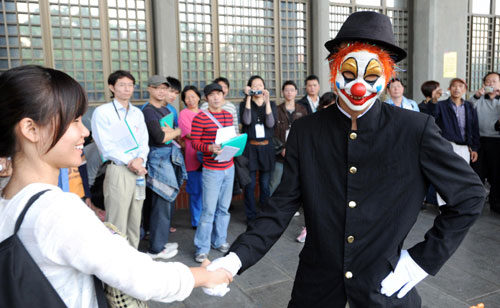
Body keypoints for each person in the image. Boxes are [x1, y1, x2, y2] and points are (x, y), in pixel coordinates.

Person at [206, 11, 485, 307]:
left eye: (371, 75)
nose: (359, 86)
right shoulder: (307, 130)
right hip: (316, 286)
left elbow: (469, 196)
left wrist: (420, 261)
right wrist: (235, 259)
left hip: (385, 286)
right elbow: (282, 203)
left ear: (387, 75)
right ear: (335, 68)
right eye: (349, 74)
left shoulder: (414, 129)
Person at [0, 65, 232, 307]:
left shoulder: (10, 197)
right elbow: (144, 279)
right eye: (74, 121)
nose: (84, 131)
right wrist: (207, 276)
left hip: (139, 168)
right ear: (31, 129)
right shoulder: (57, 211)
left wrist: (140, 158)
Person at [91, 70, 149, 248]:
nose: (127, 89)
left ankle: (134, 258)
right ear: (112, 87)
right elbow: (105, 145)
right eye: (122, 85)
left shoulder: (137, 113)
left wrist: (140, 160)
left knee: (135, 218)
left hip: (139, 172)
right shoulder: (103, 112)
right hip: (119, 170)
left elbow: (144, 141)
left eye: (130, 85)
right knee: (117, 221)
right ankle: (115, 263)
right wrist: (130, 162)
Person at [191, 83, 235, 263]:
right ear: (206, 98)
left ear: (223, 96)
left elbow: (231, 138)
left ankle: (220, 240)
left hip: (229, 167)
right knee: (208, 210)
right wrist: (209, 147)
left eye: (219, 94)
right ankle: (202, 248)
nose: (216, 97)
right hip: (211, 169)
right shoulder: (200, 117)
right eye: (212, 95)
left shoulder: (227, 115)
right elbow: (194, 143)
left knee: (224, 209)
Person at [142, 75, 184, 260]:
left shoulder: (165, 109)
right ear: (149, 89)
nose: (162, 91)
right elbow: (160, 137)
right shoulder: (148, 111)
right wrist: (177, 131)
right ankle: (156, 249)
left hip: (167, 157)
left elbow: (168, 134)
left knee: (163, 202)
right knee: (162, 201)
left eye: (164, 88)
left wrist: (171, 133)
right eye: (158, 88)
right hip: (158, 160)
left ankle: (159, 242)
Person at [427, 78, 480, 205]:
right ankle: (444, 206)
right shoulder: (441, 105)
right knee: (444, 176)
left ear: (464, 90)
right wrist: (434, 101)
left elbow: (474, 128)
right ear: (449, 89)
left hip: (465, 147)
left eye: (460, 86)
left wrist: (475, 148)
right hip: (447, 145)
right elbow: (431, 119)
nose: (457, 88)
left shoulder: (469, 106)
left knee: (462, 177)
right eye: (454, 86)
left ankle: (458, 203)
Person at [239, 75, 278, 222]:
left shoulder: (272, 104)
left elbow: (270, 124)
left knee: (264, 184)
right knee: (249, 185)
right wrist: (248, 98)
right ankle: (250, 215)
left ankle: (264, 213)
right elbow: (246, 121)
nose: (257, 88)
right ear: (249, 88)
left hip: (266, 148)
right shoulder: (245, 104)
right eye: (254, 85)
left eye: (260, 85)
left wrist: (267, 101)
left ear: (264, 87)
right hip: (250, 148)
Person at [470, 72, 500, 214]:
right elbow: (468, 108)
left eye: (494, 81)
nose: (491, 84)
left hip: (496, 141)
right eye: (488, 81)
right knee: (477, 173)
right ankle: (475, 203)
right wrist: (477, 96)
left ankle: (495, 203)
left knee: (496, 174)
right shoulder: (478, 99)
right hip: (479, 140)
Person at [269, 80, 307, 196]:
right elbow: (272, 131)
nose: (289, 93)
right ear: (282, 92)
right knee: (275, 183)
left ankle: (291, 208)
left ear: (296, 92)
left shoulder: (302, 110)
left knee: (294, 182)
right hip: (280, 155)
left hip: (297, 154)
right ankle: (273, 209)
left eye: (292, 90)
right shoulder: (276, 109)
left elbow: (305, 132)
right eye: (286, 90)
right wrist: (282, 149)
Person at [179, 85, 203, 229]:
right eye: (187, 97)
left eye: (193, 96)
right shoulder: (184, 114)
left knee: (206, 190)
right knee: (195, 191)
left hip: (206, 156)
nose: (191, 100)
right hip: (192, 156)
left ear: (199, 97)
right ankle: (196, 221)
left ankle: (205, 220)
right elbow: (190, 134)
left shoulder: (204, 113)